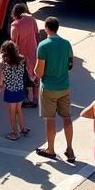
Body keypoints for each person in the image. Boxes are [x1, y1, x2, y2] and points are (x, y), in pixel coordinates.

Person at [35, 16, 75, 163]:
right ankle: (70, 148)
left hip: (49, 88)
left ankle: (50, 149)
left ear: (46, 28)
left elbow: (39, 72)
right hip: (64, 86)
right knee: (67, 117)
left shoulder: (43, 46)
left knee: (50, 119)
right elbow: (70, 64)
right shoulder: (66, 44)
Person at [0, 40, 30, 140]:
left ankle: (15, 133)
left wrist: (1, 85)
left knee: (11, 113)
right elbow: (27, 69)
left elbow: (1, 79)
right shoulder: (22, 60)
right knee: (19, 110)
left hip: (10, 91)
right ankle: (23, 128)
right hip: (20, 89)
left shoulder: (4, 64)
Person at [10, 3, 40, 108]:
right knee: (35, 75)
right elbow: (37, 34)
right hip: (33, 52)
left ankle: (25, 99)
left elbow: (13, 42)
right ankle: (35, 99)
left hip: (21, 56)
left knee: (22, 78)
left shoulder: (15, 25)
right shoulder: (32, 20)